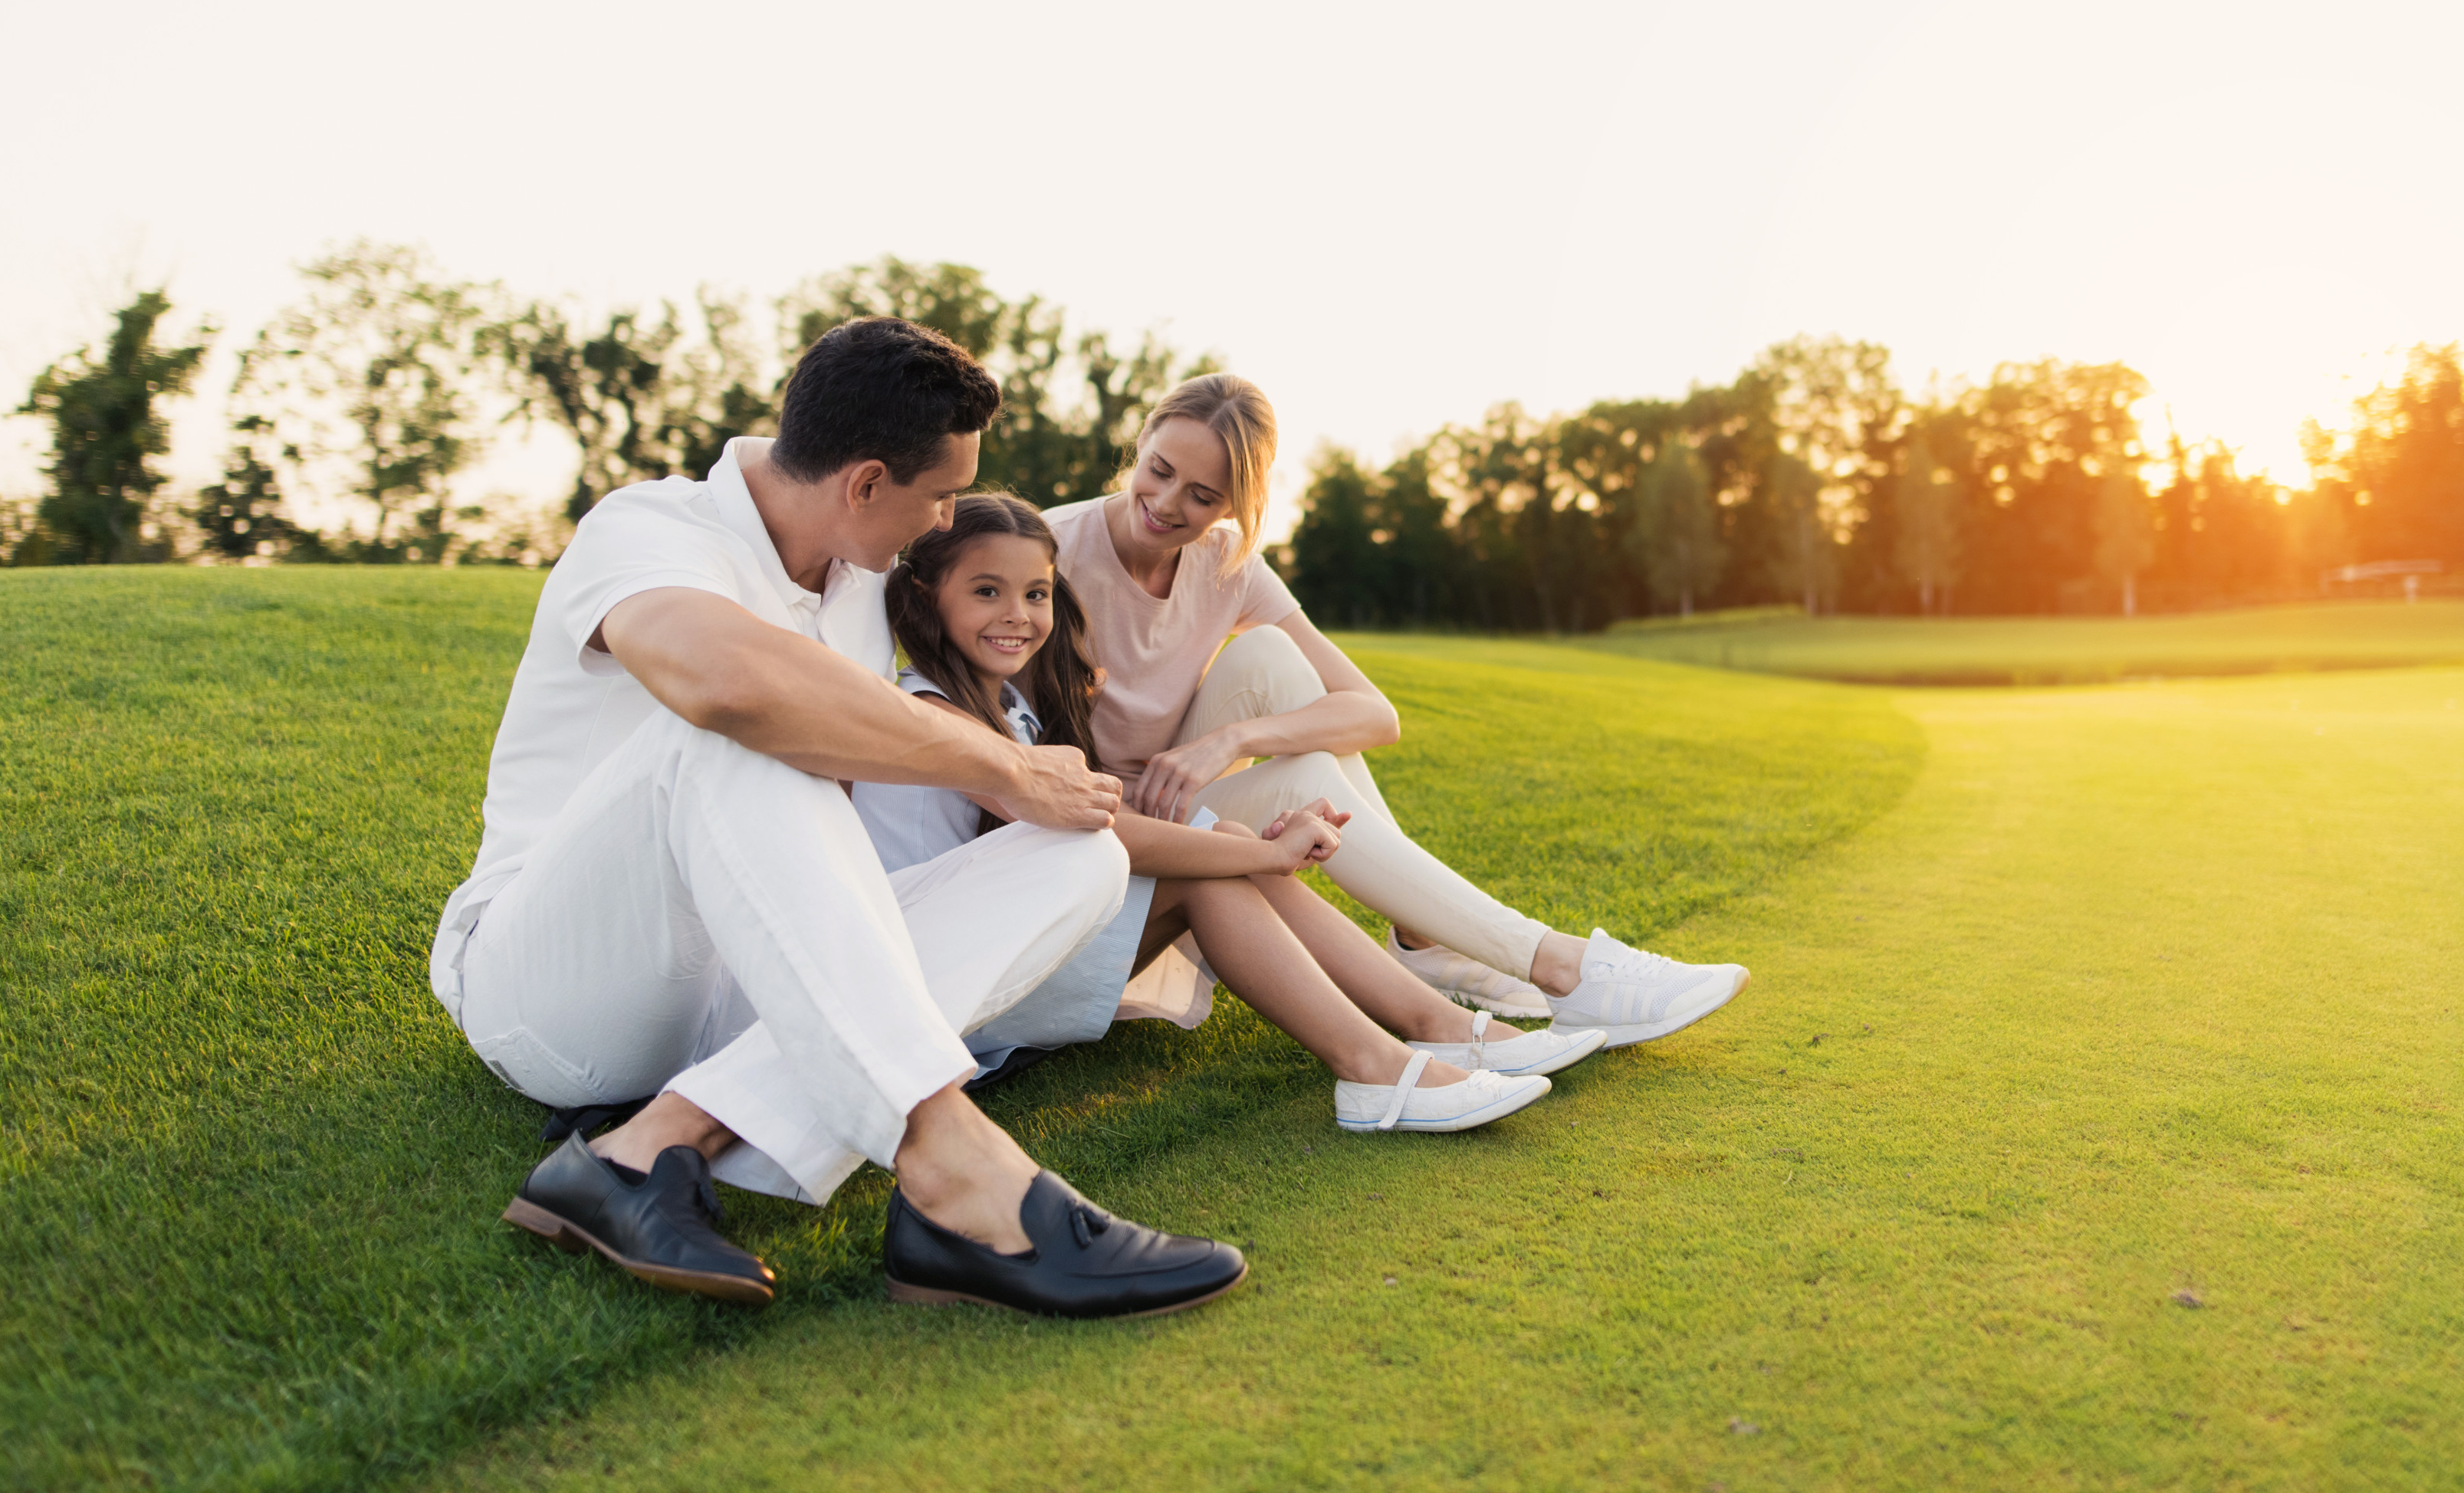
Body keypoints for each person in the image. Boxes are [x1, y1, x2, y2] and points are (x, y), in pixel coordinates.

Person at [430, 318, 1245, 1320]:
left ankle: (655, 1141)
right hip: (558, 988)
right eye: (939, 495)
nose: (942, 519)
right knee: (742, 721)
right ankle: (954, 1173)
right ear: (864, 483)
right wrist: (1006, 765)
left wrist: (1034, 785)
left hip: (751, 987)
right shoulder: (648, 528)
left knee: (1079, 857)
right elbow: (726, 680)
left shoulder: (858, 586)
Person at [856, 494, 1605, 1133]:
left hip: (1002, 950)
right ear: (926, 598)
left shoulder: (1008, 702)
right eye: (986, 592)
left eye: (1036, 593)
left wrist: (1249, 847)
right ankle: (1379, 1061)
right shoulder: (929, 712)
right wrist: (1264, 854)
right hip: (946, 990)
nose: (1017, 615)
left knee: (1224, 847)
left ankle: (1439, 1029)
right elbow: (1106, 829)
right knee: (1216, 865)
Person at [1046, 375, 1751, 1045]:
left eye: (1202, 495)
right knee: (1304, 775)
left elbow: (1375, 714)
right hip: (1111, 833)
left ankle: (1426, 940)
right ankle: (1552, 964)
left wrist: (1234, 736)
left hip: (1178, 792)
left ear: (1233, 506)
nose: (1168, 504)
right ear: (1141, 442)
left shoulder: (1228, 562)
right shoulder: (1051, 549)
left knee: (1271, 660)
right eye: (1161, 469)